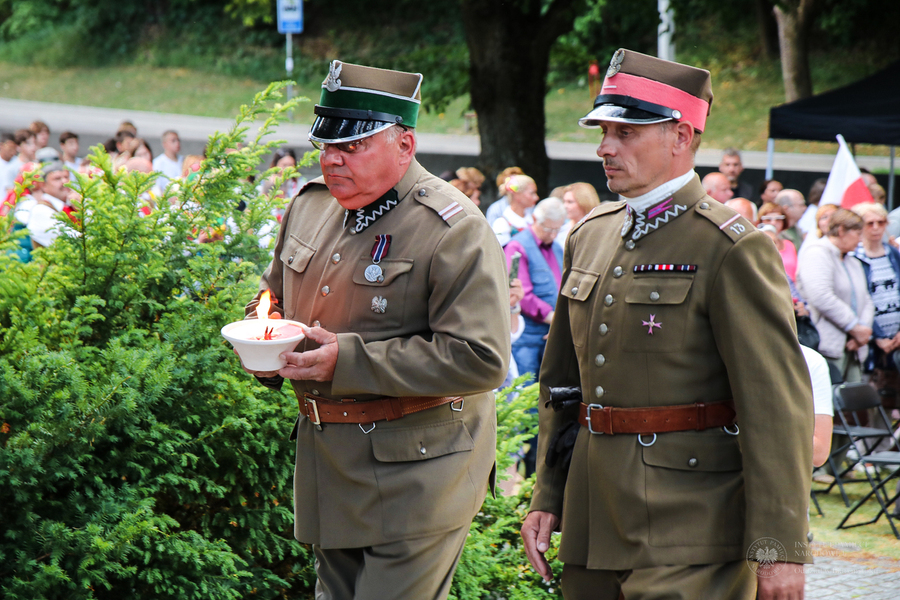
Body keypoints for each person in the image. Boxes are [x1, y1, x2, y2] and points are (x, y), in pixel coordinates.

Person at [520, 48, 813, 600]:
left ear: (681, 137)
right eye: (603, 131)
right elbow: (563, 388)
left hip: (692, 527)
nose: (606, 147)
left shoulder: (730, 246)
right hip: (592, 518)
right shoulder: (591, 233)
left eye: (626, 133)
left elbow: (776, 405)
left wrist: (779, 547)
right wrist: (549, 495)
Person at [237, 60, 510, 600]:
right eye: (325, 145)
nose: (331, 159)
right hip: (332, 465)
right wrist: (264, 337)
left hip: (420, 471)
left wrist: (348, 360)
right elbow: (272, 299)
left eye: (352, 146)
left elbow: (481, 358)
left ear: (404, 146)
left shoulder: (453, 228)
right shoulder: (311, 206)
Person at [796, 209, 873, 383]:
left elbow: (866, 299)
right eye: (858, 233)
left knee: (855, 402)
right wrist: (855, 327)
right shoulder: (816, 253)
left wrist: (862, 332)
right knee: (827, 401)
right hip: (827, 343)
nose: (861, 239)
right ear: (841, 231)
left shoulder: (852, 261)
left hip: (855, 345)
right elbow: (821, 296)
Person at [849, 202, 900, 402]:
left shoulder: (893, 253)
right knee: (870, 394)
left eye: (881, 222)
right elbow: (861, 299)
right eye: (870, 223)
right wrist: (877, 336)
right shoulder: (855, 257)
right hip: (869, 337)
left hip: (896, 335)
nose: (876, 227)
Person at [15, 161, 74, 249]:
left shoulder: (73, 205)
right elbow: (73, 241)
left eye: (66, 177)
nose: (65, 181)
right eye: (57, 179)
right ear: (43, 185)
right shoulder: (40, 210)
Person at [491, 173, 538, 246]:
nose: (536, 197)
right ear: (517, 195)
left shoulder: (534, 219)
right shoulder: (502, 224)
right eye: (532, 193)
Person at [758, 202, 798, 281]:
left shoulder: (789, 244)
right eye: (768, 219)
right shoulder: (757, 245)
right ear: (760, 222)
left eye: (778, 219)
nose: (773, 223)